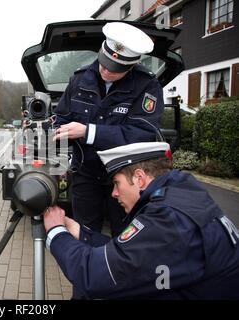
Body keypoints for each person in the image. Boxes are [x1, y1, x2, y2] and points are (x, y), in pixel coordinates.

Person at [43, 142, 239, 299]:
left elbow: (93, 276)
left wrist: (56, 232)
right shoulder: (182, 194)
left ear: (139, 178)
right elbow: (130, 254)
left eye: (117, 183)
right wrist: (77, 230)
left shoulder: (170, 221)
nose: (114, 193)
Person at [53, 22, 164, 237]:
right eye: (104, 63)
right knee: (84, 233)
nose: (105, 70)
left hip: (126, 176)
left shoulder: (147, 86)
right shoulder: (79, 79)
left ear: (131, 66)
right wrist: (56, 132)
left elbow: (142, 133)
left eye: (115, 69)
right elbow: (62, 118)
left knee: (125, 236)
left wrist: (88, 132)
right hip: (85, 174)